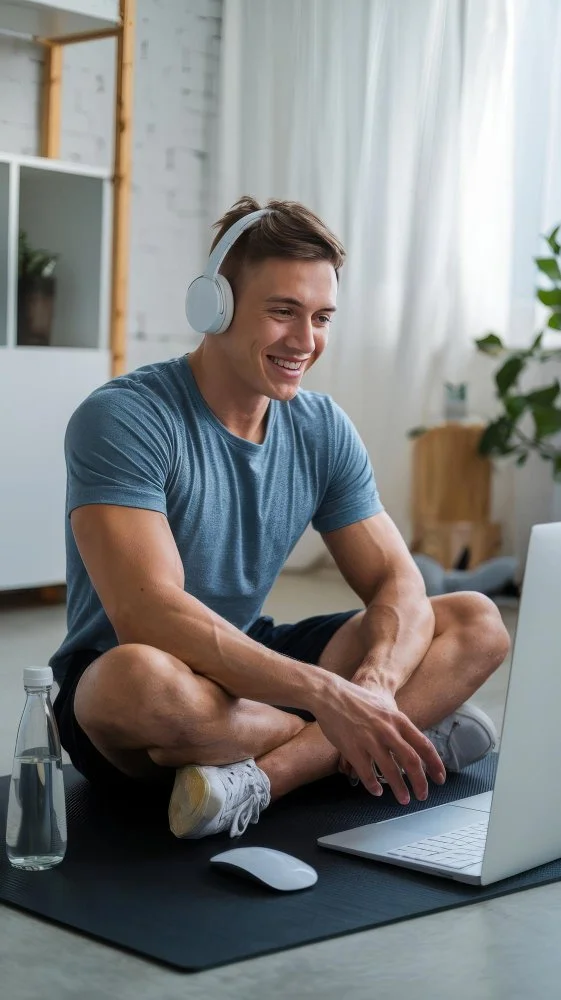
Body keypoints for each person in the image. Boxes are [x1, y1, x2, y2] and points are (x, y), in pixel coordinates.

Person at [50, 196, 510, 841]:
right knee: (136, 681)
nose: (305, 341)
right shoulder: (125, 418)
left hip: (251, 667)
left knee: (475, 620)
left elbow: (397, 585)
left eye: (321, 317)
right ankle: (378, 744)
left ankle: (269, 776)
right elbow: (148, 614)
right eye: (283, 312)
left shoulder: (321, 426)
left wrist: (374, 688)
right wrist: (332, 700)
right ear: (214, 306)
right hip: (138, 679)